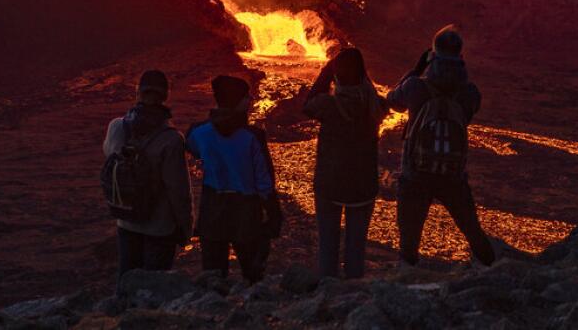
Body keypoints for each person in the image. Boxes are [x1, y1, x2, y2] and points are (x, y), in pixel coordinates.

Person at [386, 25, 496, 266]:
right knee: (472, 230)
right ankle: (496, 272)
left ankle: (403, 287)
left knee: (409, 240)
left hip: (415, 174)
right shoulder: (469, 93)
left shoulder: (416, 87)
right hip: (453, 176)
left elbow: (393, 101)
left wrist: (416, 70)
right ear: (461, 56)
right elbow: (467, 114)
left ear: (432, 55)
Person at [186, 75, 281, 282]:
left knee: (213, 276)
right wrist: (274, 214)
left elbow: (193, 148)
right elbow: (264, 181)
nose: (250, 100)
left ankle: (212, 309)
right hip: (245, 210)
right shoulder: (252, 137)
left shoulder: (199, 133)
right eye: (246, 97)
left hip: (213, 209)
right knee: (253, 274)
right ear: (236, 101)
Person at [303, 47, 388, 279]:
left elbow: (308, 104)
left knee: (328, 246)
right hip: (363, 187)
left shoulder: (328, 105)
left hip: (330, 185)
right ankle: (353, 294)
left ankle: (327, 297)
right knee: (356, 247)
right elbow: (373, 95)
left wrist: (326, 73)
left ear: (337, 76)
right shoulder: (374, 106)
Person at [102, 70, 192, 277]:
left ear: (137, 92)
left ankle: (121, 308)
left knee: (126, 279)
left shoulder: (117, 127)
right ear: (166, 96)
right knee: (154, 285)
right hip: (159, 227)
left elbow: (110, 156)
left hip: (126, 218)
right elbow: (178, 190)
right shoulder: (171, 139)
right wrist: (185, 227)